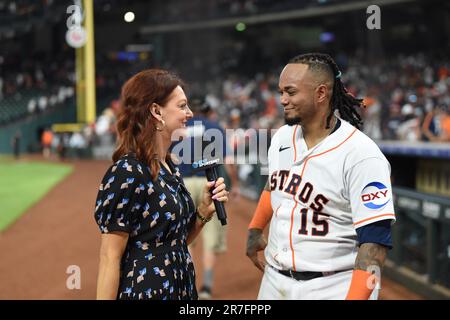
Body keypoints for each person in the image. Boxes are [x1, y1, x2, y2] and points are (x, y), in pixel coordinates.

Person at [246, 53, 396, 300]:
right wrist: (255, 228)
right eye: (281, 91)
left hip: (333, 285)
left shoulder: (362, 155)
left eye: (291, 92)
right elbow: (275, 184)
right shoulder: (283, 137)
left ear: (321, 93)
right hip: (274, 280)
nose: (282, 99)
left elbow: (375, 245)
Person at [94, 69, 229, 300]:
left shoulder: (169, 166)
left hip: (179, 287)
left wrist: (202, 213)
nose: (190, 113)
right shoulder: (128, 172)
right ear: (156, 111)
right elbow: (109, 258)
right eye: (182, 106)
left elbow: (174, 242)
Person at [171, 96, 240, 300]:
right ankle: (207, 288)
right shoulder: (214, 127)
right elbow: (229, 161)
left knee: (187, 238)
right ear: (209, 111)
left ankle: (189, 284)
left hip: (182, 184)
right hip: (208, 184)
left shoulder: (179, 126)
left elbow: (170, 158)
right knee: (210, 238)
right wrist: (235, 184)